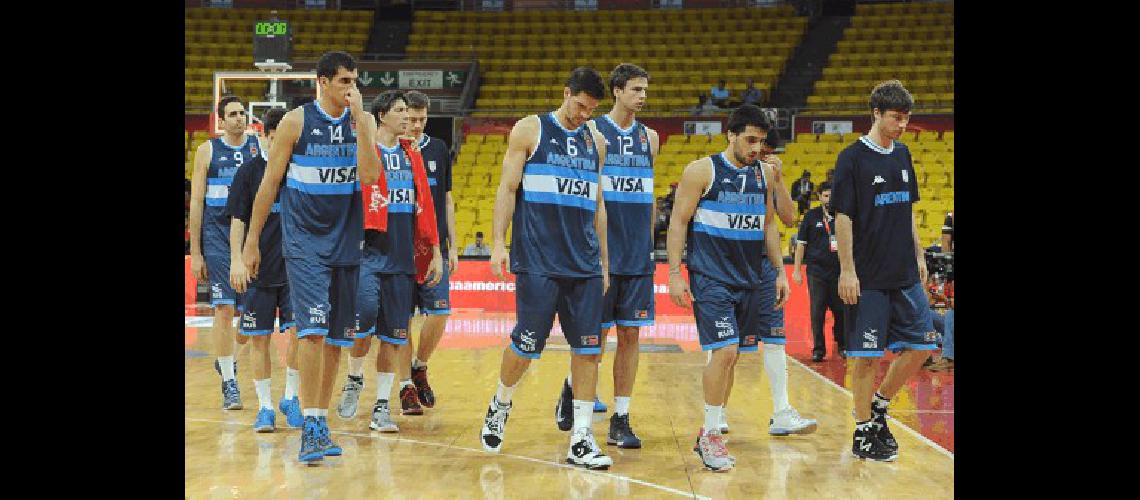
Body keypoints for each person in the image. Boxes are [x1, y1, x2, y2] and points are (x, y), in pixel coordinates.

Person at [241, 51, 383, 464]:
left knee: (338, 340)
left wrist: (361, 126)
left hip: (346, 244)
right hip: (303, 245)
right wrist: (252, 243)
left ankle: (319, 421)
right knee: (313, 333)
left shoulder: (364, 123)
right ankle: (309, 422)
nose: (351, 88)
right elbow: (268, 186)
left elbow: (371, 176)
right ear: (321, 82)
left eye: (354, 81)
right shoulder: (297, 122)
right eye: (343, 81)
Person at [479, 67, 614, 470]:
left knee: (589, 350)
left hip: (585, 263)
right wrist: (498, 244)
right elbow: (507, 188)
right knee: (525, 346)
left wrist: (605, 262)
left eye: (591, 110)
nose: (584, 116)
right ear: (566, 92)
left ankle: (582, 437)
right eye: (579, 106)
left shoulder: (598, 143)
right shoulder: (530, 129)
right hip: (538, 259)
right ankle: (501, 402)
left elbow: (598, 204)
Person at [665, 104, 803, 472]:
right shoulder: (701, 171)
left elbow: (771, 225)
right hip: (711, 277)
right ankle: (710, 433)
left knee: (735, 356)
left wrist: (779, 272)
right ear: (731, 135)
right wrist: (675, 273)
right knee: (724, 353)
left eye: (762, 141)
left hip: (751, 277)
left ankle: (712, 428)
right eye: (750, 140)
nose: (757, 148)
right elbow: (678, 223)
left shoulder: (765, 175)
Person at [552, 63, 659, 449]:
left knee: (631, 335)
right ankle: (571, 385)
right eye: (635, 89)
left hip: (637, 256)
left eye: (645, 90)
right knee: (593, 337)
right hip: (599, 255)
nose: (642, 96)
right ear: (616, 91)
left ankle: (622, 417)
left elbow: (647, 199)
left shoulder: (651, 137)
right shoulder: (593, 131)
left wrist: (648, 246)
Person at [833, 80, 938, 462]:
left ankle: (879, 406)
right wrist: (847, 270)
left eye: (906, 119)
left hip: (905, 272)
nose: (902, 125)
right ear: (875, 114)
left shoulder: (904, 153)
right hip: (868, 276)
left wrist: (920, 253)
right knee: (865, 357)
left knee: (922, 346)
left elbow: (907, 209)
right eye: (895, 118)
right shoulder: (852, 158)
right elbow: (842, 217)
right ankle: (863, 431)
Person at [704, 109, 816, 441]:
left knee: (776, 338)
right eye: (757, 146)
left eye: (766, 149)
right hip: (726, 268)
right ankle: (717, 411)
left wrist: (779, 179)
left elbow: (788, 218)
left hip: (763, 267)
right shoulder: (718, 170)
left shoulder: (767, 174)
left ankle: (782, 411)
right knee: (727, 347)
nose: (760, 154)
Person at [336, 90, 443, 432]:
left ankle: (382, 406)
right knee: (364, 323)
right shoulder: (365, 151)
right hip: (368, 253)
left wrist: (435, 250)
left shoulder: (412, 156)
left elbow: (425, 207)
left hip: (403, 257)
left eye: (409, 113)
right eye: (399, 112)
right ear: (382, 116)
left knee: (395, 336)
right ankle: (354, 378)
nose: (407, 118)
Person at [226, 107, 304, 432]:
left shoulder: (299, 171)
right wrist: (236, 260)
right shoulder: (248, 172)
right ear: (266, 136)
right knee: (259, 340)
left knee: (302, 333)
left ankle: (291, 397)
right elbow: (237, 220)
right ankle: (266, 407)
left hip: (295, 270)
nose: (279, 145)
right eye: (274, 139)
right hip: (258, 270)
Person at [189, 95, 261, 411]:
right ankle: (230, 382)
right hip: (217, 237)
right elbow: (196, 202)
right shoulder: (207, 151)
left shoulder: (258, 147)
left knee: (252, 311)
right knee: (223, 307)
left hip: (249, 238)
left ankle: (227, 358)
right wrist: (197, 252)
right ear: (221, 120)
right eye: (232, 114)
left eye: (242, 113)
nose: (239, 118)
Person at [404, 90, 455, 409]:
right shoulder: (392, 150)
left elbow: (447, 200)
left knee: (439, 313)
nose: (417, 125)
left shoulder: (437, 148)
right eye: (411, 119)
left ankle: (419, 365)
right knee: (401, 319)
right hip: (398, 246)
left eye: (423, 119)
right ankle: (405, 386)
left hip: (433, 247)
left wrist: (453, 246)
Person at [792, 181, 846, 362]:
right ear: (820, 197)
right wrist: (797, 270)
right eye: (826, 195)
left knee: (841, 310)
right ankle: (818, 349)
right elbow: (801, 245)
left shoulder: (843, 215)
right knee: (817, 311)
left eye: (832, 195)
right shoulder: (811, 216)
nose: (829, 199)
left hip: (839, 271)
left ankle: (842, 345)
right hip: (817, 272)